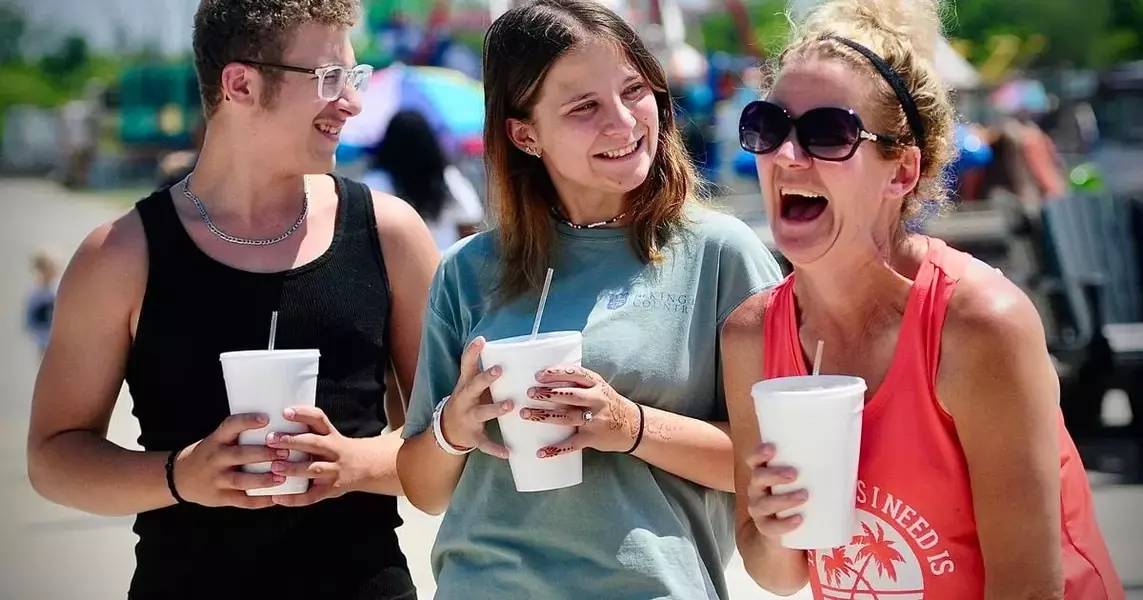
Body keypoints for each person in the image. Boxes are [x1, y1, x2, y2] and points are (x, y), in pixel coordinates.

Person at [26, 1, 438, 599]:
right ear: (240, 83)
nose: (351, 102)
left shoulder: (389, 233)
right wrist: (180, 475)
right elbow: (53, 458)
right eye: (329, 79)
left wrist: (350, 464)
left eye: (354, 77)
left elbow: (443, 449)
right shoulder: (119, 255)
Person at [721, 1, 1124, 599]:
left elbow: (1029, 589)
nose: (785, 155)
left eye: (828, 132)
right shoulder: (750, 336)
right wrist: (775, 525)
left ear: (901, 172)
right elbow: (778, 576)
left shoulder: (979, 325)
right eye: (768, 126)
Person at [395, 0, 784, 598]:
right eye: (585, 107)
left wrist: (630, 425)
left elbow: (770, 462)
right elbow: (424, 489)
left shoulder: (721, 254)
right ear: (525, 134)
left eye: (635, 91)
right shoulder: (467, 271)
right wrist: (455, 427)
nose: (625, 122)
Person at [364, 109, 485, 250]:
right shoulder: (447, 177)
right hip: (442, 263)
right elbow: (470, 219)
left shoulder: (375, 182)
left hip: (394, 267)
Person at [24, 249, 61, 357]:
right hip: (43, 341)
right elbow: (30, 320)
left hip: (62, 341)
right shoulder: (34, 293)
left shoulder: (61, 289)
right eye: (43, 267)